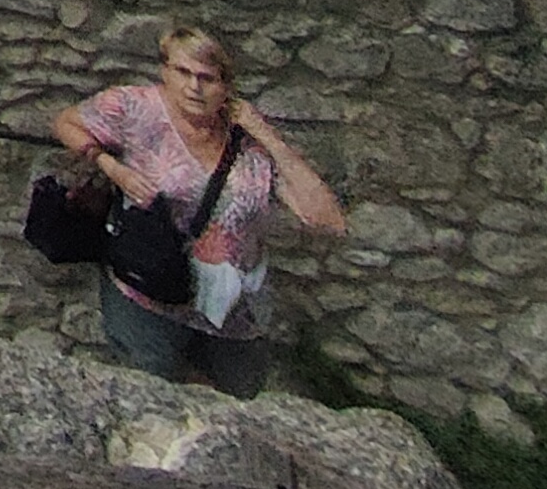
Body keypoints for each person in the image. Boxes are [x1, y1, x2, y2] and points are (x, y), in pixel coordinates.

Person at [48, 25, 345, 396]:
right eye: (182, 73)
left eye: (207, 78)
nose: (193, 88)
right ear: (165, 72)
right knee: (153, 395)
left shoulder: (250, 146)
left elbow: (326, 220)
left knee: (234, 407)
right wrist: (111, 166)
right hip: (147, 289)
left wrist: (265, 134)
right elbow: (67, 122)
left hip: (230, 312)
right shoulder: (135, 108)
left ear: (226, 87)